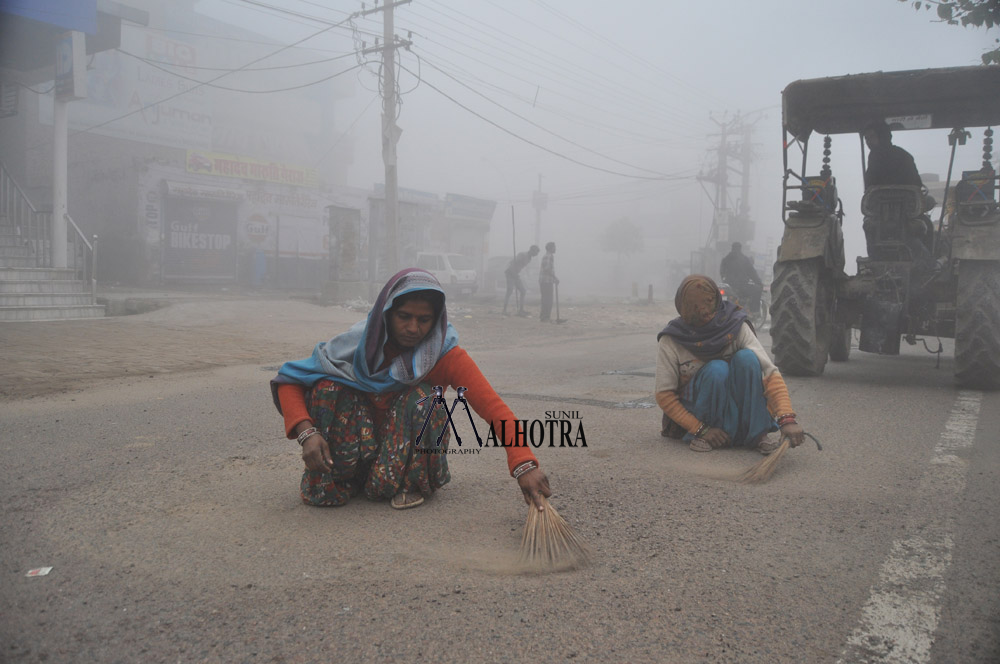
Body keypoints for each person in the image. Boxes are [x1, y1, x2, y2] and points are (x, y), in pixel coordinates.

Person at [271, 268, 551, 510]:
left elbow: (492, 407)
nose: (413, 328)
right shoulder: (355, 346)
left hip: (400, 465)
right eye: (404, 316)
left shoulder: (443, 354)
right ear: (387, 312)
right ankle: (339, 479)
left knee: (426, 399)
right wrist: (306, 432)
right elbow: (291, 381)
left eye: (424, 319)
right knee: (327, 386)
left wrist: (524, 462)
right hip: (354, 453)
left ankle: (407, 483)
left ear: (436, 319)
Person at [655, 275, 805, 454]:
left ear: (717, 302)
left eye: (709, 311)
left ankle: (756, 434)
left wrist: (787, 419)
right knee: (717, 369)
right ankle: (706, 435)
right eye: (696, 314)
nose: (705, 318)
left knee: (748, 359)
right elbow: (664, 395)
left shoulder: (735, 326)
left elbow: (769, 373)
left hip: (736, 412)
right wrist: (700, 428)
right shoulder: (672, 339)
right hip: (699, 420)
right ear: (682, 311)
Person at [863, 120, 923, 189]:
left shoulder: (875, 156)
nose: (868, 142)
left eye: (872, 136)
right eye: (866, 138)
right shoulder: (904, 154)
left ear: (883, 136)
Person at [719, 242, 762, 317]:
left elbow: (722, 272)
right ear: (740, 248)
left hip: (729, 286)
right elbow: (752, 273)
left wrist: (725, 280)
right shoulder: (744, 259)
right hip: (742, 286)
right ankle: (754, 312)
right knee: (757, 289)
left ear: (732, 248)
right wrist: (759, 282)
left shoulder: (725, 259)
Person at [503, 245, 539, 317]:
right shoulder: (522, 254)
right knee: (509, 291)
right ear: (532, 250)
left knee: (523, 291)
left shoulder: (529, 259)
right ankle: (504, 310)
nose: (536, 254)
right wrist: (514, 273)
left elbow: (522, 267)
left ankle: (521, 310)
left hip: (516, 274)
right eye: (536, 252)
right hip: (510, 272)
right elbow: (513, 263)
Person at [538, 241, 559, 322]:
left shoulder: (547, 256)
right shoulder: (549, 256)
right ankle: (545, 317)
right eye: (554, 247)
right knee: (548, 299)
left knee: (545, 299)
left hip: (545, 281)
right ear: (550, 248)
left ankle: (544, 317)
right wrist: (555, 278)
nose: (555, 249)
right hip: (546, 281)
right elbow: (547, 269)